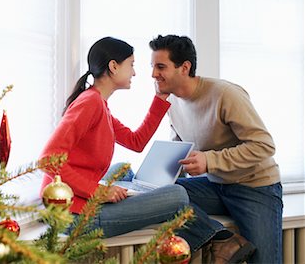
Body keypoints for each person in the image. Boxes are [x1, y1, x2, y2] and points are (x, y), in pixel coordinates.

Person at [39, 37, 253, 263]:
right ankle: (219, 237)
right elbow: (48, 160)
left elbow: (136, 141)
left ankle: (146, 196)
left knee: (124, 170)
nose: (134, 73)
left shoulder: (98, 103)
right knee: (177, 194)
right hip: (74, 216)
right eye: (131, 65)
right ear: (113, 67)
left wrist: (160, 100)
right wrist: (99, 192)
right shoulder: (89, 103)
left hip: (75, 204)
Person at [149, 34, 282, 264]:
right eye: (152, 67)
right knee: (160, 196)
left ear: (184, 67)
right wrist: (161, 176)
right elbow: (181, 147)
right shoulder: (171, 103)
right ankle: (223, 239)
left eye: (161, 67)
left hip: (255, 187)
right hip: (215, 185)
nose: (153, 74)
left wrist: (209, 161)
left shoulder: (225, 94)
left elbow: (264, 145)